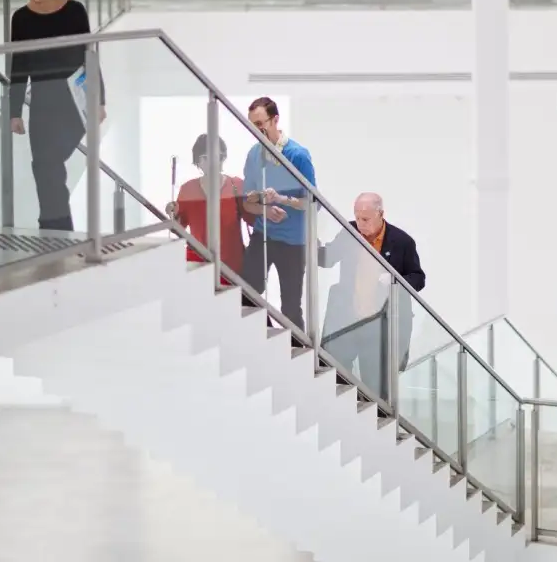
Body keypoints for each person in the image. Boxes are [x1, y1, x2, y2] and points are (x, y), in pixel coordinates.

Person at [10, 0, 106, 231]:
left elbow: (89, 54)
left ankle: (54, 229)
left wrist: (99, 100)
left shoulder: (74, 11)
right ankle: (55, 229)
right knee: (43, 167)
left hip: (73, 97)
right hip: (42, 98)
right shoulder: (21, 18)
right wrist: (14, 111)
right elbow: (18, 63)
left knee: (49, 164)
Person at [319, 193, 425, 402]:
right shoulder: (350, 231)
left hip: (378, 325)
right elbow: (328, 258)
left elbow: (418, 279)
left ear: (381, 214)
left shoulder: (402, 242)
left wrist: (395, 281)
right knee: (335, 376)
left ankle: (377, 428)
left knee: (374, 387)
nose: (359, 224)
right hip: (347, 322)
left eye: (365, 219)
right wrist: (306, 240)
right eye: (357, 217)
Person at [242, 96, 315, 338]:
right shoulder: (253, 155)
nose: (256, 129)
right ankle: (266, 341)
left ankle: (301, 360)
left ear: (275, 120)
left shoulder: (298, 156)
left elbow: (312, 204)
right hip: (264, 235)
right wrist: (264, 208)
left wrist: (282, 200)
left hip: (294, 243)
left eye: (260, 123)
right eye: (252, 124)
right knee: (247, 291)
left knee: (291, 307)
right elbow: (247, 203)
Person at [165, 134, 256, 283]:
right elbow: (178, 226)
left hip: (233, 269)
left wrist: (260, 202)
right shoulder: (188, 189)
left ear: (223, 158)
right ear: (198, 161)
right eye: (206, 157)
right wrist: (172, 213)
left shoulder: (236, 185)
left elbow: (253, 221)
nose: (213, 162)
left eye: (218, 157)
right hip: (200, 266)